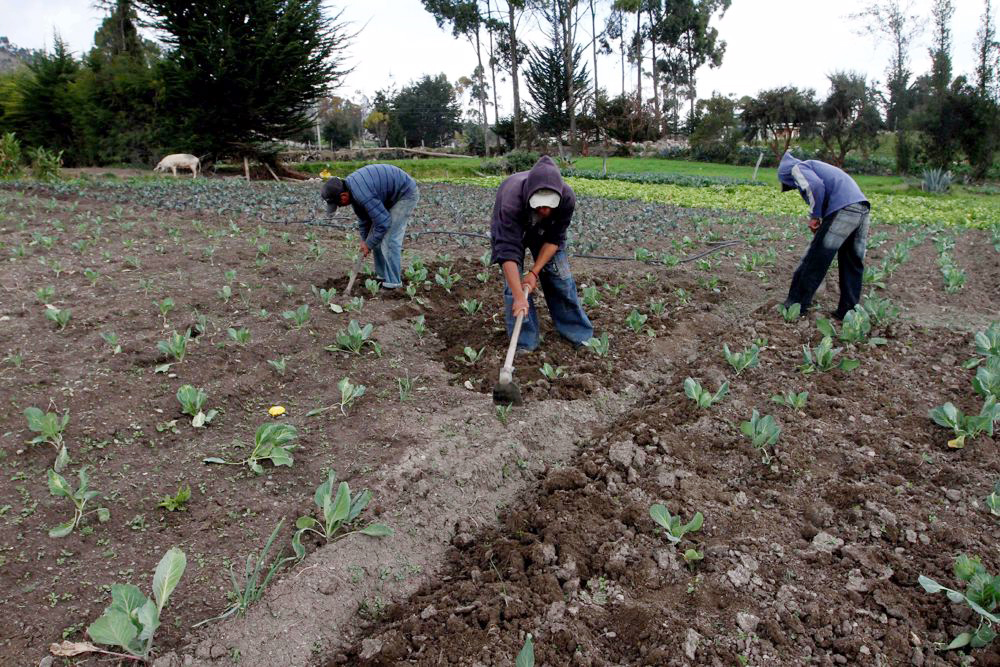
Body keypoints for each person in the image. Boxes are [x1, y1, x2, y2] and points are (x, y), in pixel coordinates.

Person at [490, 155, 594, 351]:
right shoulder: (511, 201)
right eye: (539, 205)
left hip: (545, 233)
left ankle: (579, 334)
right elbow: (508, 252)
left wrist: (534, 272)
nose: (545, 210)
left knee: (561, 278)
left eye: (549, 205)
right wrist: (519, 296)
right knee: (513, 289)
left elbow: (554, 239)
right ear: (530, 196)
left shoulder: (567, 198)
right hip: (512, 228)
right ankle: (524, 343)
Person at [778, 151, 871, 319]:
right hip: (862, 208)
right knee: (852, 262)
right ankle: (848, 312)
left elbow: (815, 186)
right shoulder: (817, 166)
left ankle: (794, 307)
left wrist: (815, 215)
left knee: (815, 259)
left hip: (843, 210)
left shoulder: (796, 168)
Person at [321, 164, 420, 289]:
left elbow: (384, 222)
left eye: (338, 204)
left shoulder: (362, 194)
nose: (339, 206)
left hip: (405, 194)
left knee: (389, 239)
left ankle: (393, 283)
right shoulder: (353, 191)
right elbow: (364, 219)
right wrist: (364, 240)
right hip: (388, 196)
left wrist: (369, 244)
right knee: (375, 237)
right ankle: (382, 276)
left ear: (343, 196)